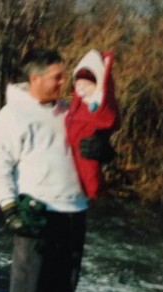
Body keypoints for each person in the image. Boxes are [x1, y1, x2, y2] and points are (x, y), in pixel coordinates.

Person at [0, 47, 110, 292]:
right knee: (28, 283)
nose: (63, 82)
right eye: (57, 76)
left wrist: (104, 150)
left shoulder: (68, 110)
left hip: (74, 210)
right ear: (36, 78)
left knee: (62, 285)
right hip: (37, 212)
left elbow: (93, 134)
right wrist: (9, 208)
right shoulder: (12, 117)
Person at [66, 49, 120, 200]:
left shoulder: (95, 105)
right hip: (60, 182)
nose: (82, 88)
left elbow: (108, 114)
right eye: (79, 83)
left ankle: (96, 196)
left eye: (87, 84)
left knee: (90, 175)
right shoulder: (72, 106)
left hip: (83, 153)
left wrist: (104, 142)